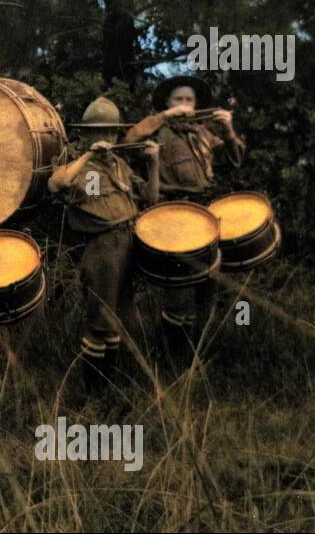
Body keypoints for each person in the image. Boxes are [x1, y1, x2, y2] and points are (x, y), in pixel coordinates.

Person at [122, 76, 245, 358]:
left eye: (189, 100)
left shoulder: (203, 133)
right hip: (173, 214)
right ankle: (172, 361)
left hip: (204, 214)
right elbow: (129, 141)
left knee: (207, 287)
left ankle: (197, 355)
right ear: (167, 103)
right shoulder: (157, 132)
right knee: (178, 293)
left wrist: (228, 130)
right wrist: (163, 117)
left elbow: (236, 160)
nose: (185, 106)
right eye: (178, 100)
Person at [48, 97, 160, 391]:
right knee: (100, 319)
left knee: (119, 317)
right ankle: (95, 393)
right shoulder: (81, 169)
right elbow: (56, 184)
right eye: (98, 133)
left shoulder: (120, 164)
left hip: (128, 242)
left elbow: (150, 198)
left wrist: (154, 163)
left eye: (110, 132)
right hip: (103, 249)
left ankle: (111, 385)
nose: (106, 138)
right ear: (85, 135)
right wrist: (88, 154)